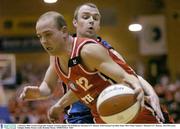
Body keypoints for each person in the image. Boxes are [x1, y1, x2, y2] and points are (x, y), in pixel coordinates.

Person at [32, 11, 164, 123]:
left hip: (134, 111)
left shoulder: (88, 51)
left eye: (48, 34)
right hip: (103, 118)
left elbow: (124, 75)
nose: (43, 41)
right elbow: (82, 88)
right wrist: (59, 106)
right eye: (40, 36)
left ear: (64, 32)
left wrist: (137, 86)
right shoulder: (55, 58)